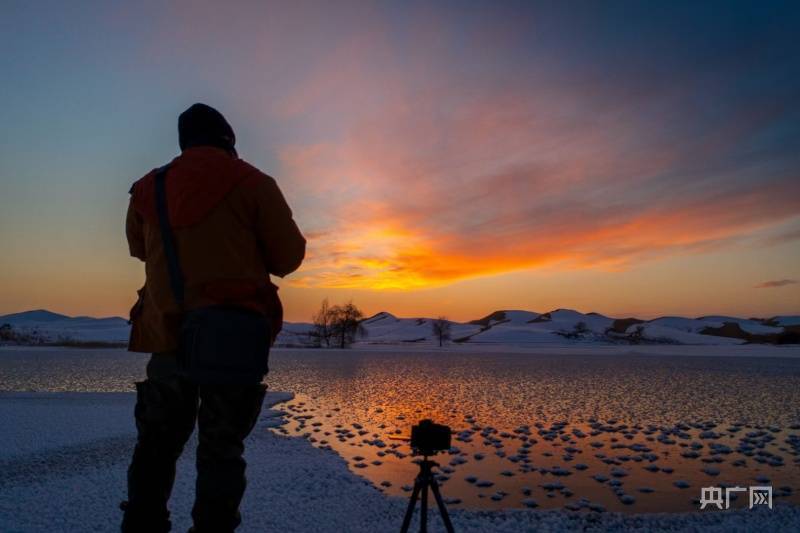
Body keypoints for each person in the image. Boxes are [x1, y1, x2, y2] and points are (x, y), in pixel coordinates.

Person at [122, 103, 305, 532]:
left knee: (155, 446)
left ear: (184, 142)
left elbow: (138, 248)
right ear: (228, 140)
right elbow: (289, 257)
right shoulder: (253, 182)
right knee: (221, 448)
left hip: (166, 333)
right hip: (232, 335)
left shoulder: (147, 187)